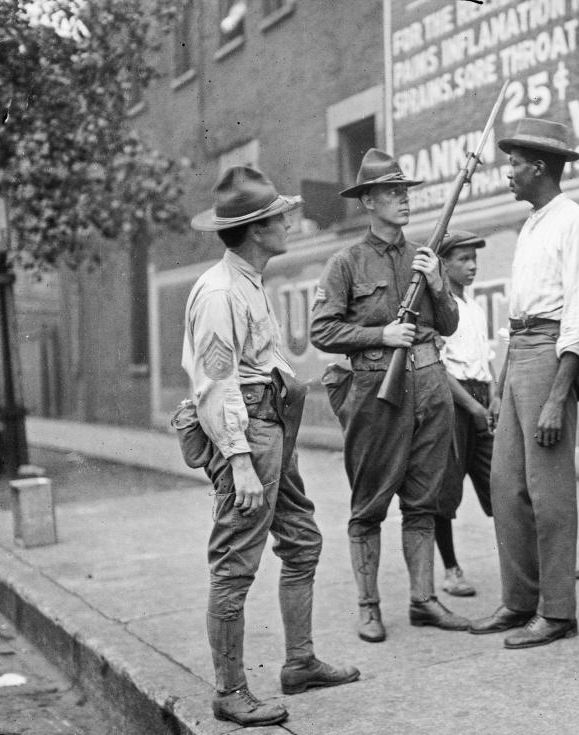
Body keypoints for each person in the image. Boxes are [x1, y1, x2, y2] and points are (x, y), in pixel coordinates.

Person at [182, 166, 358, 728]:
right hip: (249, 435)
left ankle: (300, 662)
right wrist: (240, 463)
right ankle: (231, 692)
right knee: (235, 564)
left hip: (272, 428)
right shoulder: (218, 292)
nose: (290, 221)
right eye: (280, 216)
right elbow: (215, 383)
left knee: (302, 541)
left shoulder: (249, 281)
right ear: (257, 228)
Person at [310, 148, 470, 643]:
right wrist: (380, 336)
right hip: (376, 390)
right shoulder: (346, 263)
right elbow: (322, 330)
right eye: (391, 193)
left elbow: (448, 325)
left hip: (429, 384)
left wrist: (439, 285)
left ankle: (423, 601)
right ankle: (368, 606)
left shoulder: (425, 255)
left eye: (404, 192)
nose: (403, 200)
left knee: (423, 501)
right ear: (368, 203)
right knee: (370, 503)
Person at [470, 118, 579, 649]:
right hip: (520, 353)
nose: (509, 172)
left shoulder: (575, 222)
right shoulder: (532, 223)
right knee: (506, 487)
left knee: (549, 495)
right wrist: (503, 380)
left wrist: (557, 395)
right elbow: (519, 315)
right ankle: (520, 599)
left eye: (515, 163)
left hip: (552, 357)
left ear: (541, 167)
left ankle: (558, 612)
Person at [435, 230, 497, 598]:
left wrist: (491, 400)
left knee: (502, 485)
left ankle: (532, 560)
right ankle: (451, 568)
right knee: (445, 490)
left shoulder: (473, 307)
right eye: (463, 259)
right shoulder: (441, 308)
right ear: (443, 264)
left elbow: (484, 360)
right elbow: (440, 368)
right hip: (454, 403)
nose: (472, 265)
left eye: (474, 258)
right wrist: (472, 406)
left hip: (480, 399)